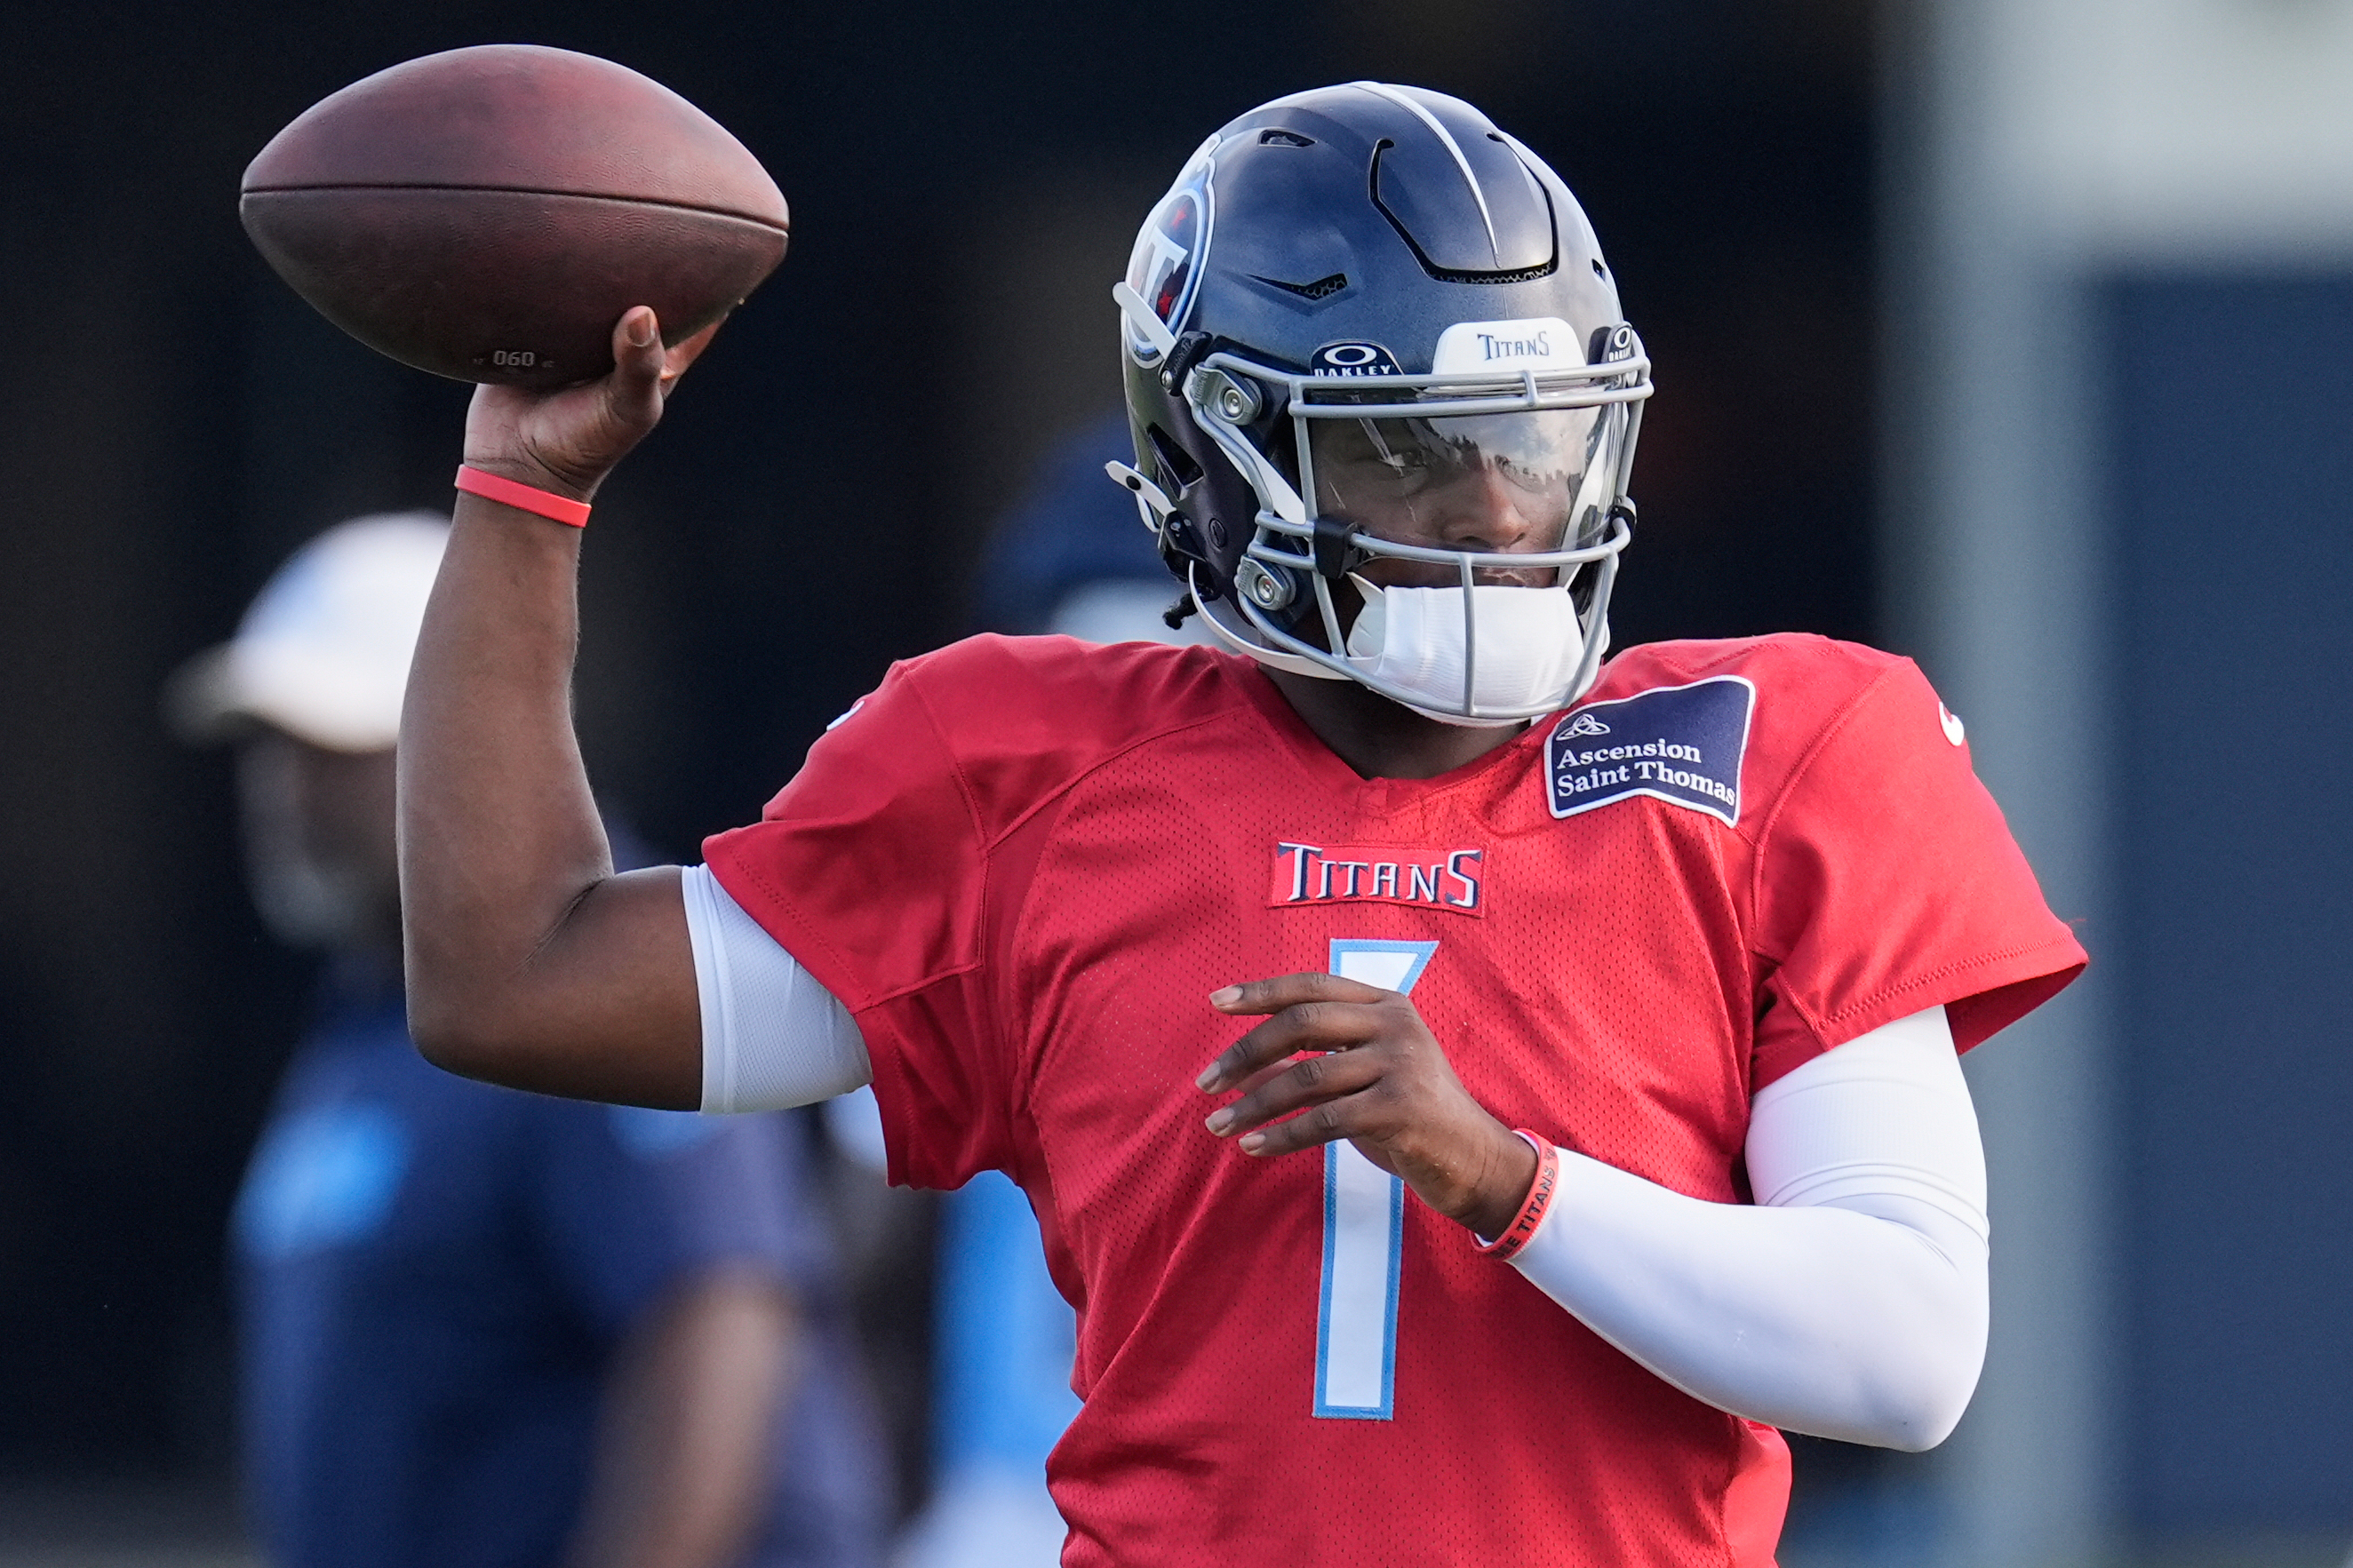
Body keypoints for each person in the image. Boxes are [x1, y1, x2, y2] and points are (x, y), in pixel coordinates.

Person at [395, 84, 2088, 1566]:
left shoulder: (1768, 750)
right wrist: (526, 495)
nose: (1498, 511)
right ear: (1217, 459)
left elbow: (1904, 1349)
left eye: (1535, 443)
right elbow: (512, 978)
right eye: (1413, 452)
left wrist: (1494, 1172)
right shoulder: (1027, 772)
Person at [171, 514, 889, 1568]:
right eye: (269, 748)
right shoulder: (363, 1015)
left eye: (335, 749)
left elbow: (716, 1323)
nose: (289, 791)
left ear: (475, 736)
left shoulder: (606, 978)